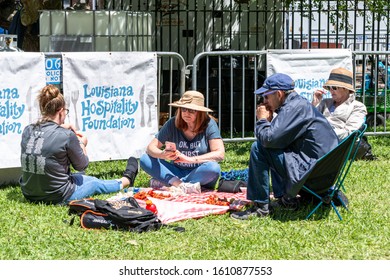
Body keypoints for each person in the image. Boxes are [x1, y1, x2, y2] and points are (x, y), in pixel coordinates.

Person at [230, 73, 339, 220]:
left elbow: (268, 140)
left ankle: (261, 207)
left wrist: (262, 120)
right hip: (323, 174)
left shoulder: (292, 108)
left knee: (259, 147)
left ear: (279, 94)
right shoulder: (297, 105)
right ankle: (286, 200)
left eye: (266, 96)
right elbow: (277, 139)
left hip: (312, 176)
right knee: (277, 146)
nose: (264, 101)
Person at [19, 84, 138, 205]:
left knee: (79, 177)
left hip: (29, 192)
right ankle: (126, 180)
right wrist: (82, 143)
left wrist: (61, 127)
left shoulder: (28, 130)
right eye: (65, 111)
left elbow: (45, 135)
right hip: (57, 196)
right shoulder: (66, 136)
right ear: (60, 111)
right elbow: (82, 165)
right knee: (93, 183)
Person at [140, 90, 225, 194]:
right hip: (176, 171)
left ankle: (169, 182)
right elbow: (151, 148)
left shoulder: (209, 124)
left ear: (200, 113)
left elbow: (220, 154)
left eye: (191, 110)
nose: (186, 113)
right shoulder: (172, 123)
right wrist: (163, 155)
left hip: (199, 171)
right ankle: (181, 185)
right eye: (183, 109)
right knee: (145, 158)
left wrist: (190, 159)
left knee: (213, 168)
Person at [312, 67, 376, 160]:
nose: (331, 91)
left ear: (345, 89)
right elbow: (309, 120)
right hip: (319, 139)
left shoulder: (357, 106)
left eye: (334, 87)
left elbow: (350, 133)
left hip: (339, 143)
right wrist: (314, 104)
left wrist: (324, 134)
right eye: (329, 88)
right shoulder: (325, 102)